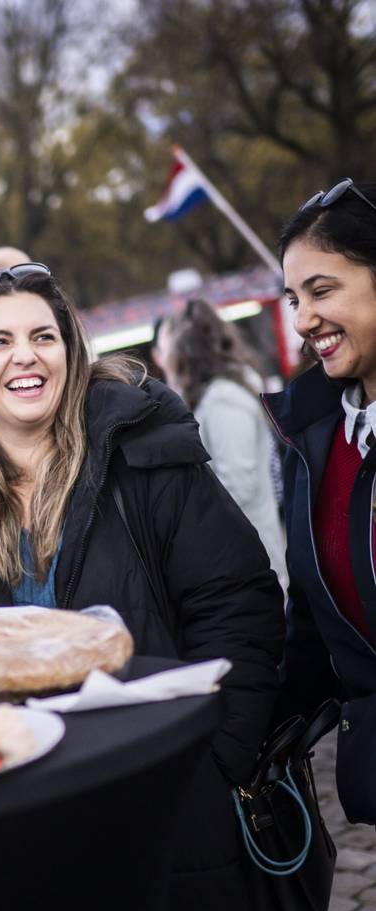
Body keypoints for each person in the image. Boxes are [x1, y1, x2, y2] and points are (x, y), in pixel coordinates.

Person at [0, 262, 283, 911]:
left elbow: (238, 602)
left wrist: (215, 759)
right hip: (26, 815)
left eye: (44, 336)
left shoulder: (145, 448)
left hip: (164, 796)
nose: (26, 356)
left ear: (70, 352)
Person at [265, 178, 376, 824]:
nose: (303, 319)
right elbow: (312, 622)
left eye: (322, 290)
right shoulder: (312, 436)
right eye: (293, 298)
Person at [156, 299, 288, 592]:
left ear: (184, 352)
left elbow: (238, 486)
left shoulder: (223, 401)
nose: (161, 360)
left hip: (254, 565)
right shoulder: (216, 398)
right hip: (245, 560)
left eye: (164, 349)